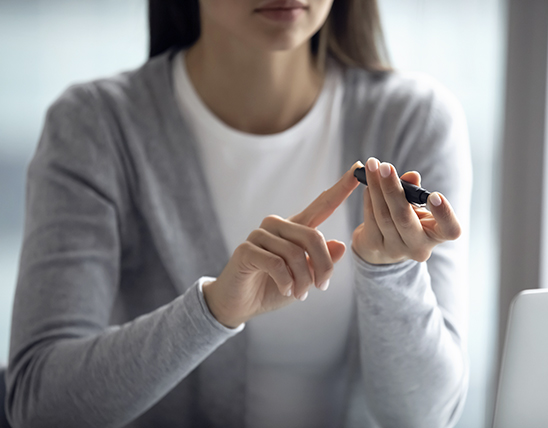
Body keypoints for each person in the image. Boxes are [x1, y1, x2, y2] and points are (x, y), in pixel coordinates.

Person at [5, 0, 472, 427]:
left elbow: (426, 417)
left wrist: (389, 273)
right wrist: (214, 310)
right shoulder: (94, 128)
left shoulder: (416, 119)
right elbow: (38, 406)